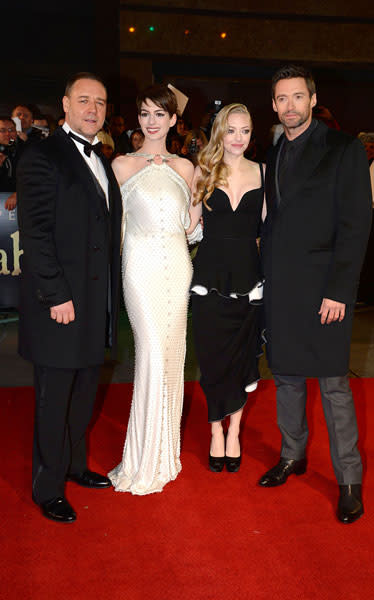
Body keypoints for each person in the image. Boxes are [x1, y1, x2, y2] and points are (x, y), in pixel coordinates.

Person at [259, 65, 372, 524]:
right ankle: (293, 454)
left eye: (297, 97)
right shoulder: (272, 152)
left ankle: (349, 479)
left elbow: (356, 224)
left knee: (333, 384)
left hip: (326, 288)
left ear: (312, 99)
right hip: (281, 285)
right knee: (285, 376)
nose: (290, 106)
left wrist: (340, 290)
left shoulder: (344, 150)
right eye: (282, 99)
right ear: (274, 105)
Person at [17, 72, 122, 523]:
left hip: (93, 302)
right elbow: (36, 234)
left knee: (82, 393)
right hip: (58, 304)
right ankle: (48, 487)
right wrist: (56, 293)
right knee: (54, 396)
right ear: (65, 104)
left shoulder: (102, 159)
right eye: (84, 100)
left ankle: (77, 466)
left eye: (99, 102)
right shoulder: (42, 156)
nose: (93, 109)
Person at [108, 84, 194, 495]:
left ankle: (166, 452)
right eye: (144, 113)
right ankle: (143, 457)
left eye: (160, 114)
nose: (151, 121)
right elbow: (114, 226)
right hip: (139, 268)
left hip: (178, 268)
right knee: (152, 352)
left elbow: (191, 229)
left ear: (174, 120)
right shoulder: (121, 165)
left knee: (173, 356)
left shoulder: (187, 168)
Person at [187, 104, 264, 473]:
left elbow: (271, 230)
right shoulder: (203, 171)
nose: (238, 138)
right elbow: (187, 227)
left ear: (252, 133)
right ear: (220, 132)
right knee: (213, 359)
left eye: (245, 131)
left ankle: (233, 431)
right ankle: (215, 430)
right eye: (231, 130)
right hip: (209, 280)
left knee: (241, 359)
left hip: (249, 281)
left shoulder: (264, 172)